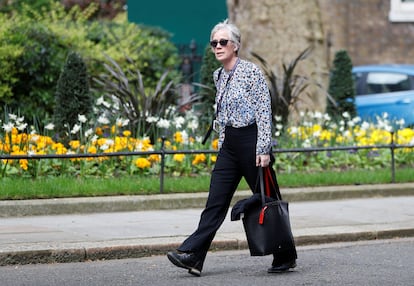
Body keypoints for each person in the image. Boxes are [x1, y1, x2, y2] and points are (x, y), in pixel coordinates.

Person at [167, 19, 297, 277]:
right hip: (230, 146)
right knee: (215, 202)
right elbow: (224, 113)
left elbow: (263, 111)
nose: (217, 46)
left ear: (235, 45)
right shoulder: (218, 75)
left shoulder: (251, 72)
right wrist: (223, 141)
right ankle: (194, 256)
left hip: (252, 142)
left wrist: (263, 148)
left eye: (223, 42)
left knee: (269, 199)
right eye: (214, 42)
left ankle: (286, 255)